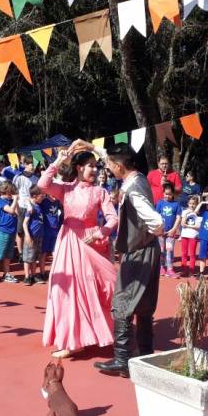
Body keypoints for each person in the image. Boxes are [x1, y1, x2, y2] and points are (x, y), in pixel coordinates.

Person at [38, 145, 118, 359]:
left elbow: (113, 218)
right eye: (91, 166)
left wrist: (100, 233)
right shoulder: (65, 189)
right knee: (65, 290)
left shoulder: (100, 192)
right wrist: (58, 161)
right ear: (79, 168)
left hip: (91, 243)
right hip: (68, 242)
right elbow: (42, 184)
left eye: (96, 166)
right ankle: (72, 341)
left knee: (100, 287)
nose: (95, 170)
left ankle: (105, 332)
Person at [94, 142, 163, 377]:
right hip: (148, 249)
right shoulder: (137, 178)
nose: (107, 168)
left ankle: (123, 359)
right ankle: (145, 355)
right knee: (144, 304)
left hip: (138, 251)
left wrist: (154, 230)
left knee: (123, 301)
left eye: (110, 165)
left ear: (119, 166)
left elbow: (156, 222)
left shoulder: (133, 189)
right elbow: (110, 156)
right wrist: (90, 146)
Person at [0, 182, 19, 285]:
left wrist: (15, 201)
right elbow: (11, 211)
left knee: (8, 254)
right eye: (11, 192)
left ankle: (6, 274)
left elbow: (17, 212)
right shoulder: (0, 201)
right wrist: (15, 200)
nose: (12, 194)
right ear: (5, 191)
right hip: (2, 231)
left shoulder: (11, 201)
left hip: (12, 231)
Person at [155, 182, 181, 278]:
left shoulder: (176, 204)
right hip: (161, 232)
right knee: (161, 251)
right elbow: (156, 216)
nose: (167, 196)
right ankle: (161, 267)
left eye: (170, 194)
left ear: (173, 194)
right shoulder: (160, 203)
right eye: (166, 194)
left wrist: (173, 229)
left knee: (169, 250)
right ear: (163, 193)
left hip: (171, 233)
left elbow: (178, 218)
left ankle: (170, 269)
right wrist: (159, 229)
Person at [22, 186, 45, 285]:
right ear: (35, 196)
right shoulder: (30, 208)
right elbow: (24, 223)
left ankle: (34, 275)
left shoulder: (38, 205)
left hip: (39, 236)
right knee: (28, 258)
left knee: (35, 257)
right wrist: (27, 235)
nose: (43, 197)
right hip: (31, 236)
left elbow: (27, 198)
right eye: (41, 196)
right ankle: (27, 277)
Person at [180, 195, 202, 277]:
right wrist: (186, 214)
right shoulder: (184, 212)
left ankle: (191, 271)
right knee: (184, 253)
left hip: (193, 236)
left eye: (193, 204)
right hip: (184, 235)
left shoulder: (198, 214)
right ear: (188, 204)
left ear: (196, 205)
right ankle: (183, 270)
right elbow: (182, 224)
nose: (191, 205)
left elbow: (198, 227)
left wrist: (188, 226)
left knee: (192, 254)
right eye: (190, 203)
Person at [40, 194, 62, 272]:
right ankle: (42, 272)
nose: (54, 196)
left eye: (55, 194)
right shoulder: (44, 201)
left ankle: (56, 272)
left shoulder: (57, 201)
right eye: (52, 194)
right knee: (44, 253)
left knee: (55, 252)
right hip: (46, 232)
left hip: (55, 231)